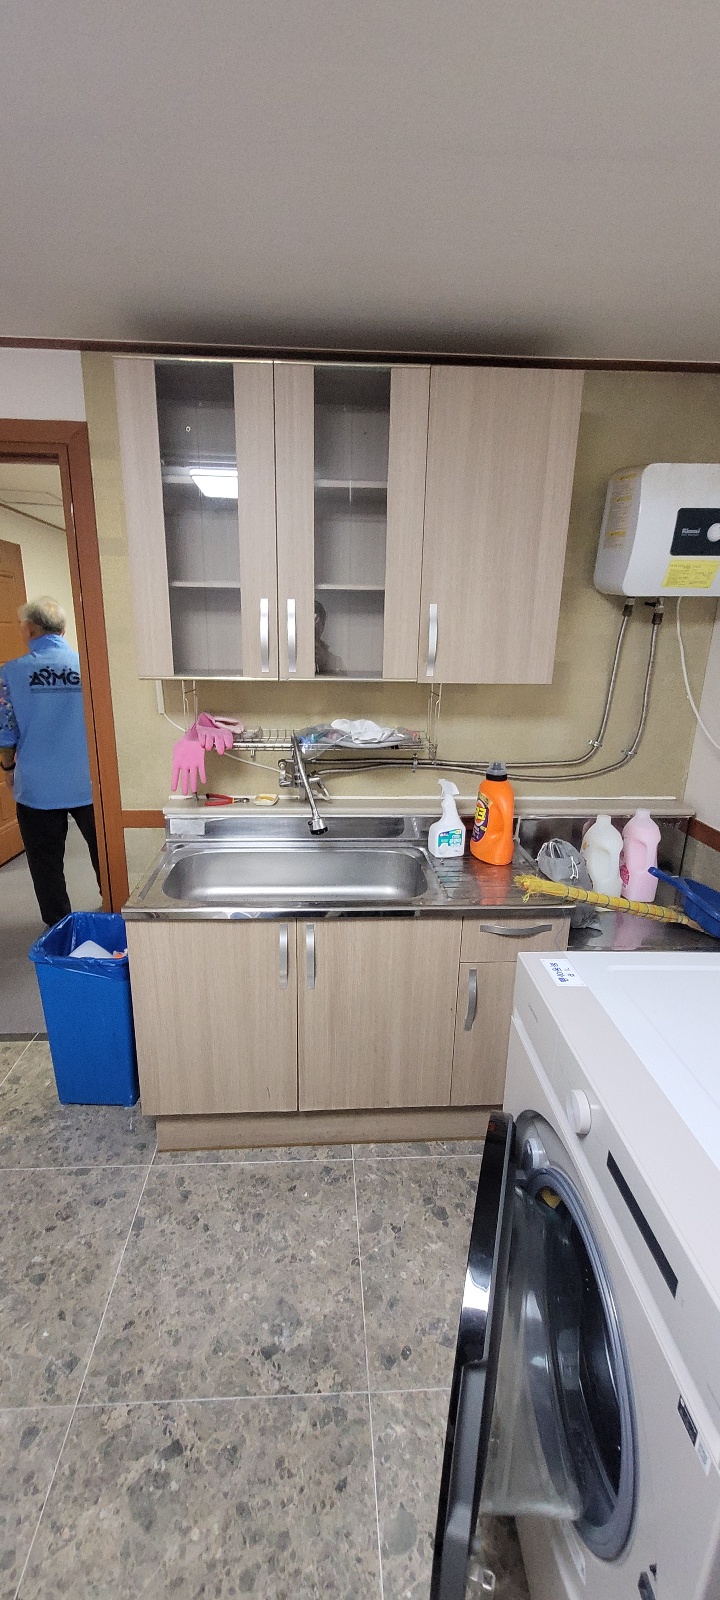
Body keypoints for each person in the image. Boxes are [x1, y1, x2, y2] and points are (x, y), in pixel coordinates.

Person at [0, 596, 101, 926]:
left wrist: (7, 768)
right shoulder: (90, 666)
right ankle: (115, 912)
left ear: (30, 629)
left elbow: (5, 731)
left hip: (38, 786)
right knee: (105, 854)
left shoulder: (10, 673)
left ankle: (59, 925)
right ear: (63, 630)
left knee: (45, 864)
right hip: (90, 781)